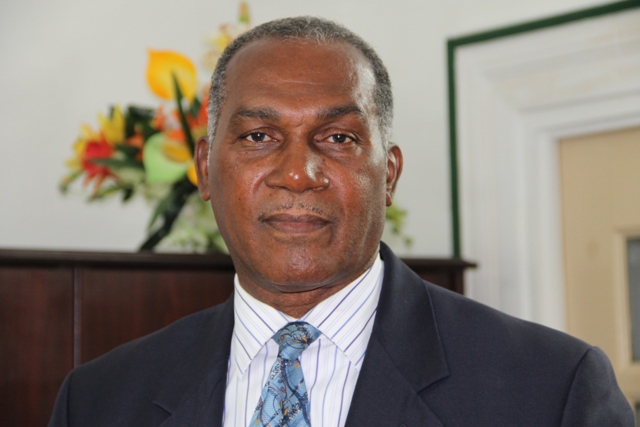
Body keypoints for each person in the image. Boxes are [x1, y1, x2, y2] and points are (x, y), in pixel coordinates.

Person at [49, 16, 633, 427]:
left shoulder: (552, 389)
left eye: (337, 138)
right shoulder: (99, 399)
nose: (298, 174)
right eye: (258, 136)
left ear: (389, 173)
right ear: (205, 169)